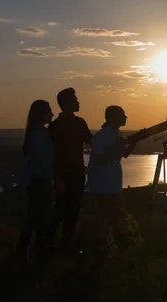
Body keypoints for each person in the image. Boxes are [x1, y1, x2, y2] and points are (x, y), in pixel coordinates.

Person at [86, 105, 136, 264]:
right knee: (103, 216)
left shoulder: (116, 133)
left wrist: (134, 142)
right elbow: (99, 160)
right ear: (113, 117)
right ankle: (94, 248)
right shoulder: (102, 136)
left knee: (113, 214)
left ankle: (108, 246)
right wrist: (117, 147)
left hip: (112, 182)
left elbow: (123, 154)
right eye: (123, 114)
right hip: (103, 183)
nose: (126, 117)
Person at [48, 87, 94, 249]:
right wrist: (57, 178)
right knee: (60, 210)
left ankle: (65, 243)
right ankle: (47, 244)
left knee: (74, 210)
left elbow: (92, 142)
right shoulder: (55, 127)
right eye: (75, 99)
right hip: (63, 176)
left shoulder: (80, 123)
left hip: (78, 174)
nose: (78, 102)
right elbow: (52, 156)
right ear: (67, 103)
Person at [16, 99, 54, 264]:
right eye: (49, 111)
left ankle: (29, 252)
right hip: (40, 183)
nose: (52, 114)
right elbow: (43, 161)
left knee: (35, 219)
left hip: (39, 182)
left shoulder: (38, 133)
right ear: (41, 114)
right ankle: (34, 254)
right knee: (39, 220)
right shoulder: (39, 135)